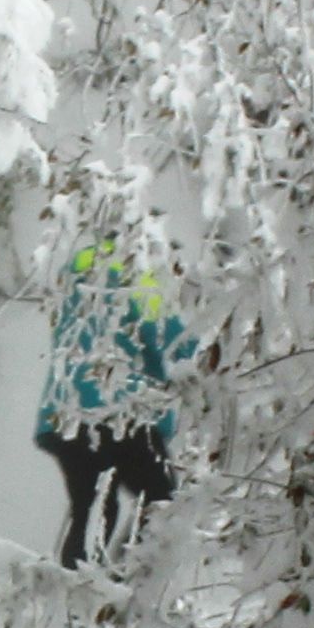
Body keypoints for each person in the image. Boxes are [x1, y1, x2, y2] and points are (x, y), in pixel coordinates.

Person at [34, 236, 189, 569]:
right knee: (162, 501)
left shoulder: (74, 275)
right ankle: (127, 588)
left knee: (91, 508)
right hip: (120, 408)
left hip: (65, 411)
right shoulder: (139, 275)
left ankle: (76, 594)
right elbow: (171, 339)